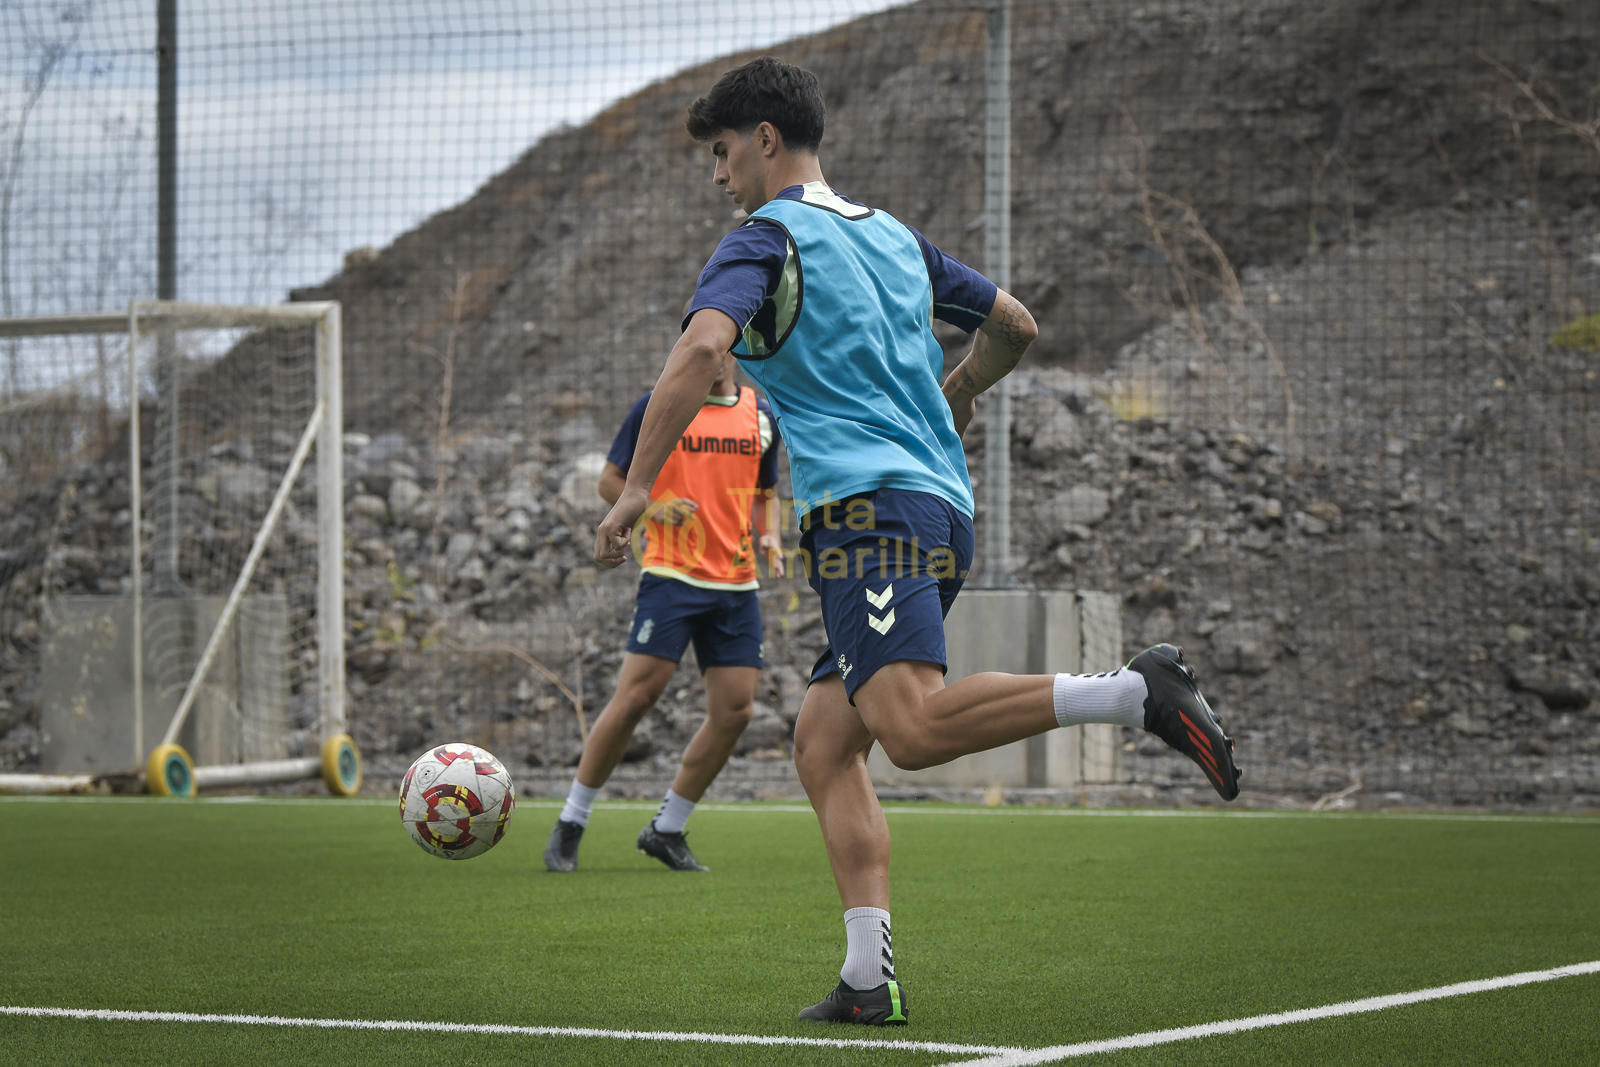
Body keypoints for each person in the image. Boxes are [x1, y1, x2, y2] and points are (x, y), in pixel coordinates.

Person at [592, 56, 1241, 1024]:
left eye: (722, 153)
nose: (719, 176)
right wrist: (958, 391)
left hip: (868, 512)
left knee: (912, 728)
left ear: (765, 140)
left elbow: (700, 348)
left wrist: (639, 489)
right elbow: (1015, 325)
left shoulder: (762, 239)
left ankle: (1132, 691)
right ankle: (867, 978)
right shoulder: (894, 237)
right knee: (825, 743)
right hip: (938, 507)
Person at [546, 349, 783, 874]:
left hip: (737, 584)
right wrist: (656, 507)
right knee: (635, 697)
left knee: (737, 712)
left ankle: (668, 828)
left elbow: (764, 491)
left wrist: (769, 533)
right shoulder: (659, 405)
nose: (711, 351)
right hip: (672, 576)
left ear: (737, 347)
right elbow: (610, 481)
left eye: (722, 341)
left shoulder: (762, 415)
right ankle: (571, 820)